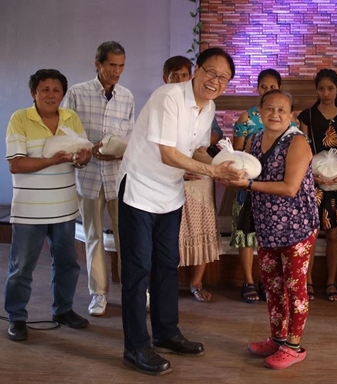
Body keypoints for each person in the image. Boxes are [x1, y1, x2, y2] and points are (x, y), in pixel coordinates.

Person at [117, 47, 242, 376]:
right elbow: (169, 154)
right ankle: (135, 346)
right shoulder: (169, 96)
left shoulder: (208, 106)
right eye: (210, 72)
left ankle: (167, 332)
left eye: (223, 77)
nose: (215, 81)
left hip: (170, 193)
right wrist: (216, 174)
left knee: (167, 265)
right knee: (138, 268)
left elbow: (197, 149)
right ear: (197, 70)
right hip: (140, 190)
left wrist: (222, 165)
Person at [229, 89, 318, 369]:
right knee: (273, 285)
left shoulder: (298, 142)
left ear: (291, 115)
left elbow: (290, 188)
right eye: (269, 109)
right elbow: (252, 172)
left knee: (294, 287)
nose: (275, 114)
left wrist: (250, 185)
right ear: (260, 110)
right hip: (267, 226)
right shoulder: (256, 139)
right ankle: (277, 338)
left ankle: (294, 345)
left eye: (282, 110)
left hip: (297, 227)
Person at [4, 69, 92, 341]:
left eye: (56, 90)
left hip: (65, 207)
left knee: (67, 263)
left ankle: (63, 310)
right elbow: (16, 164)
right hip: (30, 210)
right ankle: (17, 317)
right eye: (45, 89)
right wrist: (52, 161)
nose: (51, 94)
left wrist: (83, 158)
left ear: (62, 94)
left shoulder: (71, 118)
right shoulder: (20, 119)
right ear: (34, 93)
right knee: (22, 268)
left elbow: (82, 158)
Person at [62, 41, 135, 317]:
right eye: (112, 65)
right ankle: (99, 294)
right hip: (89, 176)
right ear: (98, 64)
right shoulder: (77, 94)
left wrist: (118, 152)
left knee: (126, 237)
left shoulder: (127, 96)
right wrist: (89, 149)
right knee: (93, 236)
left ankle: (133, 291)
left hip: (118, 178)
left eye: (121, 66)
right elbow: (67, 134)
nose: (117, 71)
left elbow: (130, 135)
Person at [162, 55, 223, 303]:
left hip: (198, 175)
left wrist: (192, 149)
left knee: (202, 227)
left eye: (183, 75)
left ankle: (196, 282)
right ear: (165, 79)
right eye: (173, 76)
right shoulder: (163, 103)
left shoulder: (205, 104)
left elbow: (215, 133)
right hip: (169, 177)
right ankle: (166, 284)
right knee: (171, 233)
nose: (179, 79)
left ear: (193, 76)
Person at [298, 69, 337, 302]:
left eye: (330, 88)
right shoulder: (307, 116)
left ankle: (331, 281)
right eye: (321, 88)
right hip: (312, 181)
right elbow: (301, 149)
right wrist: (311, 176)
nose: (326, 93)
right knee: (310, 233)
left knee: (333, 233)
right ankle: (307, 281)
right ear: (316, 90)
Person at [231, 68, 281, 303]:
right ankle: (249, 281)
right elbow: (236, 152)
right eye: (264, 86)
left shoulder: (287, 118)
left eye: (272, 87)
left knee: (269, 235)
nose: (268, 91)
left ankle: (267, 279)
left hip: (274, 187)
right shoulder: (247, 118)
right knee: (246, 234)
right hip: (248, 183)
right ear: (257, 88)